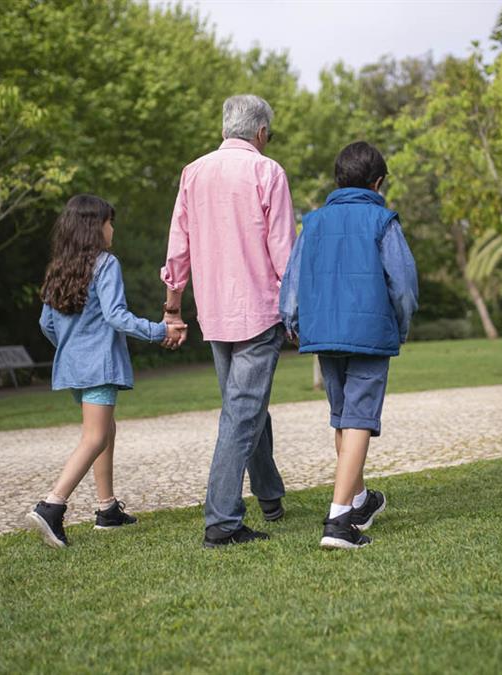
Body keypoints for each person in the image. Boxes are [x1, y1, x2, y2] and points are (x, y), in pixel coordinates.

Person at [160, 94, 296, 548]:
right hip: (259, 311)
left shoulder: (193, 172)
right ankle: (221, 521)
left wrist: (173, 306)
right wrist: (297, 311)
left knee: (246, 407)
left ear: (224, 129)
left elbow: (178, 245)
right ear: (261, 132)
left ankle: (269, 495)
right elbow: (283, 251)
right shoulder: (267, 171)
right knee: (241, 413)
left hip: (214, 313)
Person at [280, 141, 419, 550]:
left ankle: (358, 500)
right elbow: (403, 287)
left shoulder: (313, 223)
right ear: (378, 182)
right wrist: (401, 327)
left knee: (343, 417)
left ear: (339, 180)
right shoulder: (383, 221)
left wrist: (293, 321)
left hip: (323, 332)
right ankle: (339, 522)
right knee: (358, 418)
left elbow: (293, 280)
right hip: (370, 333)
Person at [26, 194, 186, 549]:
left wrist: (72, 348)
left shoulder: (59, 267)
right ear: (94, 227)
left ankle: (107, 509)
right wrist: (160, 330)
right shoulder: (106, 264)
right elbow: (116, 316)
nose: (112, 229)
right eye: (109, 222)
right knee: (95, 437)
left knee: (105, 429)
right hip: (98, 365)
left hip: (72, 366)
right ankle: (51, 506)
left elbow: (45, 324)